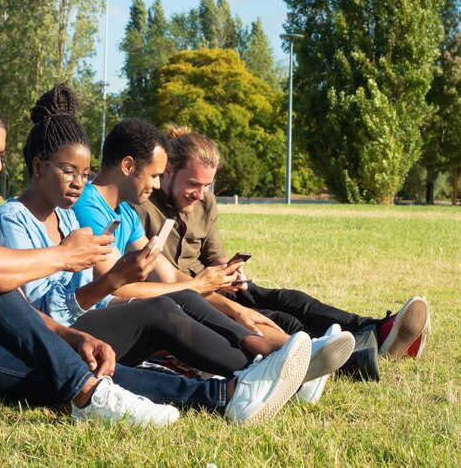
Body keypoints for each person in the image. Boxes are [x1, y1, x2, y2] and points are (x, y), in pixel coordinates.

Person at [0, 95, 315, 426]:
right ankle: (88, 396)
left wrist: (73, 335)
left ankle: (226, 395)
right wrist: (63, 257)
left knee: (70, 361)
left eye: (0, 154)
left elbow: (16, 305)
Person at [0, 84, 352, 387]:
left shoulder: (69, 219)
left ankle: (276, 356)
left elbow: (143, 281)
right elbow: (35, 314)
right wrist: (123, 281)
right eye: (70, 171)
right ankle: (260, 372)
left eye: (84, 174)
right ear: (39, 167)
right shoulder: (16, 220)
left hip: (92, 319)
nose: (79, 183)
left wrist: (194, 290)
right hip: (60, 337)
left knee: (193, 301)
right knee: (165, 307)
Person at [71, 117, 356, 402]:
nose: (158, 184)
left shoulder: (125, 213)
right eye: (155, 175)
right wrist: (198, 287)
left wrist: (232, 309)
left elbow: (168, 275)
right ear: (128, 166)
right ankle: (269, 368)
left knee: (209, 302)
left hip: (115, 312)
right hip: (91, 321)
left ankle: (283, 359)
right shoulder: (88, 207)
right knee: (173, 304)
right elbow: (116, 287)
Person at [131, 125, 431, 382]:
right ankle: (354, 356)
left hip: (214, 284)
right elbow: (166, 279)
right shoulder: (143, 206)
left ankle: (376, 329)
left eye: (207, 185)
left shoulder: (205, 201)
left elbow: (214, 255)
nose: (200, 194)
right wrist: (208, 285)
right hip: (191, 294)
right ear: (168, 172)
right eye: (193, 184)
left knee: (290, 299)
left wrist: (229, 271)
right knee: (275, 319)